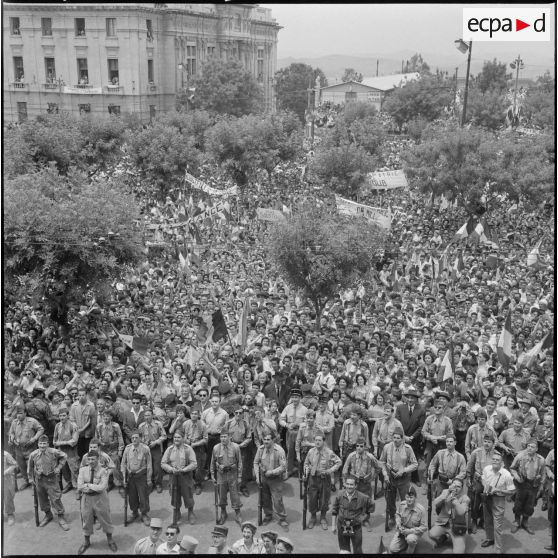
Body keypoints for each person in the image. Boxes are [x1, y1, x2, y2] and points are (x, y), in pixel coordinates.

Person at [77, 449, 117, 554]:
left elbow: (102, 487)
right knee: (86, 519)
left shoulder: (103, 471)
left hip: (100, 498)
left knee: (105, 518)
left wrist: (88, 485)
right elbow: (79, 486)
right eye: (89, 459)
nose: (91, 461)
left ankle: (110, 540)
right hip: (86, 499)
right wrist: (89, 487)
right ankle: (86, 542)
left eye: (93, 459)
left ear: (98, 459)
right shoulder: (83, 470)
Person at [27, 434, 70, 530]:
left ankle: (60, 516)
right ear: (38, 444)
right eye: (40, 443)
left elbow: (64, 456)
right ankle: (48, 514)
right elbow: (30, 467)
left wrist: (59, 467)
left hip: (51, 479)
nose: (42, 446)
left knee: (55, 498)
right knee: (42, 499)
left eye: (44, 444)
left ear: (48, 444)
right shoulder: (33, 454)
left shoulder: (53, 452)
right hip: (39, 480)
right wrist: (30, 479)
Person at [380, 426, 418, 530]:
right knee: (390, 500)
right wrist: (385, 475)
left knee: (405, 500)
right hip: (390, 478)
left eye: (398, 438)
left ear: (402, 439)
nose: (396, 440)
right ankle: (392, 517)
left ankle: (404, 519)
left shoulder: (408, 449)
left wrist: (404, 470)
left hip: (403, 479)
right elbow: (382, 462)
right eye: (394, 437)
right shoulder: (387, 447)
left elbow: (415, 464)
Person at [303, 429, 342, 529]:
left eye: (319, 440)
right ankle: (313, 517)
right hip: (313, 478)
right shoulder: (311, 452)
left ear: (323, 441)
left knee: (324, 499)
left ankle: (323, 518)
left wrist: (330, 470)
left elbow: (339, 462)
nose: (317, 442)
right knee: (312, 498)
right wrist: (306, 472)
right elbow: (306, 463)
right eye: (315, 440)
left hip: (324, 479)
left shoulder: (329, 452)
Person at [480, 452, 516, 552]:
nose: (495, 461)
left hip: (498, 500)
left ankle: (498, 548)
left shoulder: (506, 475)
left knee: (498, 525)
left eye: (497, 460)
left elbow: (512, 491)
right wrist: (485, 486)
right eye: (494, 459)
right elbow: (483, 478)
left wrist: (498, 490)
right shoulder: (487, 469)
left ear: (502, 463)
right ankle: (490, 539)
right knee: (487, 520)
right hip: (487, 498)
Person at [509, 437, 546, 534]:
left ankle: (525, 522)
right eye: (528, 446)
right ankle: (517, 522)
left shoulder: (541, 460)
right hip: (521, 483)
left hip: (533, 485)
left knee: (530, 504)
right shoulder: (520, 456)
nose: (530, 448)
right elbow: (512, 468)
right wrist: (517, 477)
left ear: (536, 449)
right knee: (518, 502)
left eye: (532, 447)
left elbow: (543, 474)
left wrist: (541, 486)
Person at [253, 432, 289, 529]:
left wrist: (272, 472)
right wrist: (257, 476)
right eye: (264, 439)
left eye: (268, 439)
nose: (266, 441)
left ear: (273, 440)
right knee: (265, 499)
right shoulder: (260, 450)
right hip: (263, 478)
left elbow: (283, 467)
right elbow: (256, 462)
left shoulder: (279, 451)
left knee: (277, 500)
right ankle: (268, 515)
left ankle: (282, 518)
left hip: (275, 479)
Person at [161, 431, 197, 525]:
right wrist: (171, 469)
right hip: (173, 476)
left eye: (179, 437)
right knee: (174, 495)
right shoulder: (169, 449)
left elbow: (194, 463)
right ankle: (177, 511)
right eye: (175, 437)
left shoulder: (188, 449)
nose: (176, 439)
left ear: (183, 438)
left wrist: (184, 469)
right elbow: (163, 463)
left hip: (185, 476)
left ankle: (191, 512)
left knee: (188, 494)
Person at [466, 432, 500, 534]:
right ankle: (474, 521)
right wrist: (468, 478)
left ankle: (483, 520)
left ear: (493, 443)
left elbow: (500, 469)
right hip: (478, 481)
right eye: (485, 441)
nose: (486, 444)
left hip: (490, 483)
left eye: (489, 442)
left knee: (488, 502)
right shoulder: (476, 452)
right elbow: (469, 467)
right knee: (475, 502)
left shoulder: (497, 454)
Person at [331, 474, 374, 553]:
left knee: (357, 549)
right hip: (342, 526)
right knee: (344, 550)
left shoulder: (363, 497)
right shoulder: (340, 495)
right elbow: (334, 510)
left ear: (356, 486)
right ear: (344, 484)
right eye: (347, 484)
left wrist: (363, 517)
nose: (349, 486)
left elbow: (371, 507)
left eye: (351, 484)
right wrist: (333, 525)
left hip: (356, 527)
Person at [428, 478, 470, 553]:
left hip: (457, 527)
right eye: (454, 485)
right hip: (443, 523)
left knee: (458, 552)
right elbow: (435, 503)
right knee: (432, 534)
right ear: (451, 485)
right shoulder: (445, 492)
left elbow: (461, 512)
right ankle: (444, 537)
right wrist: (446, 494)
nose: (455, 488)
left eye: (458, 486)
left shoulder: (465, 498)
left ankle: (459, 538)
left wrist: (455, 501)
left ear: (462, 488)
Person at [8, 404, 44, 489]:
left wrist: (34, 439)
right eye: (17, 414)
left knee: (31, 466)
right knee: (22, 466)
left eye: (20, 413)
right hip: (18, 449)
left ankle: (34, 484)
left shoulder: (32, 421)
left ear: (25, 413)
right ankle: (26, 481)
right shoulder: (14, 422)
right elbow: (11, 432)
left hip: (30, 448)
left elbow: (41, 429)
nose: (18, 415)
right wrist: (12, 439)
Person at [211, 430, 243, 525]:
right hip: (221, 475)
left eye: (225, 437)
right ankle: (223, 512)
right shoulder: (216, 448)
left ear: (229, 437)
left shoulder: (235, 447)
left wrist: (240, 476)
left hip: (232, 474)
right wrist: (212, 475)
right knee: (221, 496)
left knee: (235, 495)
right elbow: (212, 462)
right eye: (221, 437)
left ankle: (238, 513)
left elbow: (240, 462)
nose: (223, 439)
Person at [395, 387, 426, 485]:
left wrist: (412, 437)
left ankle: (415, 478)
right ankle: (401, 476)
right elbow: (397, 424)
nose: (410, 400)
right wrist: (404, 437)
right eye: (408, 397)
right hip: (402, 438)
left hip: (414, 439)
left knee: (414, 459)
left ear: (416, 399)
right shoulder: (400, 408)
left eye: (412, 398)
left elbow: (421, 426)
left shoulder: (421, 410)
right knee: (401, 458)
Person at [121, 430, 152, 526]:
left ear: (140, 438)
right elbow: (123, 463)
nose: (134, 439)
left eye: (136, 437)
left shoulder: (145, 449)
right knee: (132, 497)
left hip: (141, 476)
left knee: (143, 496)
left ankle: (144, 514)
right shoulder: (127, 448)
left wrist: (149, 479)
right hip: (130, 477)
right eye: (132, 438)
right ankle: (134, 512)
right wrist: (124, 478)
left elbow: (149, 464)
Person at [341, 436, 382, 501]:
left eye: (361, 446)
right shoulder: (351, 456)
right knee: (353, 503)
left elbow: (379, 467)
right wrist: (344, 481)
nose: (359, 448)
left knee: (366, 503)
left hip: (365, 483)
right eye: (357, 446)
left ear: (365, 447)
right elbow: (345, 469)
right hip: (354, 482)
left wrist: (372, 477)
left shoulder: (370, 457)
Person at [388, 486, 427, 554]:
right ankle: (406, 542)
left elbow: (424, 527)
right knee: (393, 549)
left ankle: (411, 545)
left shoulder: (421, 510)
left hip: (413, 532)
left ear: (415, 497)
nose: (409, 499)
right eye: (407, 497)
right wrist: (398, 523)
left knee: (411, 539)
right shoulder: (402, 504)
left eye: (411, 497)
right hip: (402, 531)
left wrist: (409, 531)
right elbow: (398, 515)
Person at [427, 433, 467, 498]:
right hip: (441, 483)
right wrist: (430, 476)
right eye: (447, 441)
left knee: (452, 503)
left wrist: (453, 481)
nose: (449, 443)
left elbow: (463, 472)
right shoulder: (440, 453)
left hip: (453, 483)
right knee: (439, 503)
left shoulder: (460, 457)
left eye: (451, 442)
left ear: (455, 443)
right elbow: (432, 465)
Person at [279, 387, 307, 476]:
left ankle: (301, 471)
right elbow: (281, 419)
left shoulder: (304, 409)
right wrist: (287, 425)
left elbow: (307, 422)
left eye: (297, 397)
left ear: (300, 398)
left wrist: (299, 425)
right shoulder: (288, 408)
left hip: (300, 433)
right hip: (290, 433)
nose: (294, 399)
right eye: (293, 397)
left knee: (301, 452)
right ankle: (289, 470)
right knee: (290, 452)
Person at [226, 404, 252, 497]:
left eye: (240, 413)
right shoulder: (228, 423)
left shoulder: (246, 423)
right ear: (233, 413)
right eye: (236, 413)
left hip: (242, 448)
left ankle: (243, 486)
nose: (238, 414)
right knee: (230, 466)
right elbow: (225, 436)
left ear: (242, 414)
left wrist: (241, 445)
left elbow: (249, 437)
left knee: (242, 467)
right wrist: (231, 445)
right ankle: (230, 486)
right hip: (231, 448)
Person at [138, 408, 167, 494]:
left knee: (157, 467)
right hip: (146, 449)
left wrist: (156, 442)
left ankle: (158, 484)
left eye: (149, 415)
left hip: (156, 448)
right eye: (145, 415)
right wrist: (143, 442)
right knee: (147, 467)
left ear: (152, 416)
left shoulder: (158, 424)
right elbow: (139, 437)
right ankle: (149, 484)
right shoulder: (141, 426)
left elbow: (164, 436)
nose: (147, 417)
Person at [96, 409, 124, 493]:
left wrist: (120, 450)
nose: (106, 418)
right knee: (104, 468)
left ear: (111, 417)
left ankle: (120, 484)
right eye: (104, 416)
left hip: (113, 449)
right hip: (103, 450)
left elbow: (120, 437)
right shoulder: (99, 426)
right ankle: (108, 483)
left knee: (116, 467)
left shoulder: (116, 426)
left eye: (108, 416)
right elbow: (96, 439)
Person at [53, 406, 80, 493]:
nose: (62, 418)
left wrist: (60, 443)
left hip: (72, 452)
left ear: (68, 416)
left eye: (64, 415)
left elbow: (73, 442)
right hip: (61, 453)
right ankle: (69, 484)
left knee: (74, 470)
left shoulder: (73, 426)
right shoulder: (57, 426)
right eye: (60, 416)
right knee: (64, 469)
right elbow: (54, 440)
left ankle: (78, 488)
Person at [182, 408, 207, 495]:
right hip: (187, 446)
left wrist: (196, 444)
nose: (194, 415)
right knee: (187, 466)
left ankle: (198, 484)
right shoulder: (186, 424)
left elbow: (205, 439)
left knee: (198, 468)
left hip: (198, 448)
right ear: (190, 414)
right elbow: (182, 435)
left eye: (196, 413)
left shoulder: (203, 425)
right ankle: (189, 484)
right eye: (192, 413)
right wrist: (187, 441)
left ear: (199, 415)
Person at [70, 387, 96, 459]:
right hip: (77, 433)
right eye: (80, 395)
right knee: (80, 453)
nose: (81, 397)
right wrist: (75, 425)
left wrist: (83, 429)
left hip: (88, 433)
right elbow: (72, 418)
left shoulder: (91, 405)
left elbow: (91, 419)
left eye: (83, 395)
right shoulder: (74, 405)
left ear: (86, 395)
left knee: (88, 451)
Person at [4, 449, 17, 525]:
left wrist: (5, 472)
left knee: (7, 497)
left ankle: (10, 514)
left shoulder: (5, 454)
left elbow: (14, 464)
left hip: (5, 479)